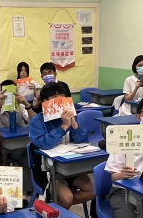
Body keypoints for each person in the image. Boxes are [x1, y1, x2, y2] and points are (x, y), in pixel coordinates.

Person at [29, 82, 95, 210]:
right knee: (66, 197)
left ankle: (56, 207)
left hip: (69, 166)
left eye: (63, 97)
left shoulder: (69, 116)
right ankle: (58, 207)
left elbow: (83, 141)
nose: (60, 100)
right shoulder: (37, 121)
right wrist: (64, 126)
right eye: (55, 97)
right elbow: (45, 144)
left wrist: (74, 124)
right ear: (45, 102)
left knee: (93, 190)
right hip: (47, 170)